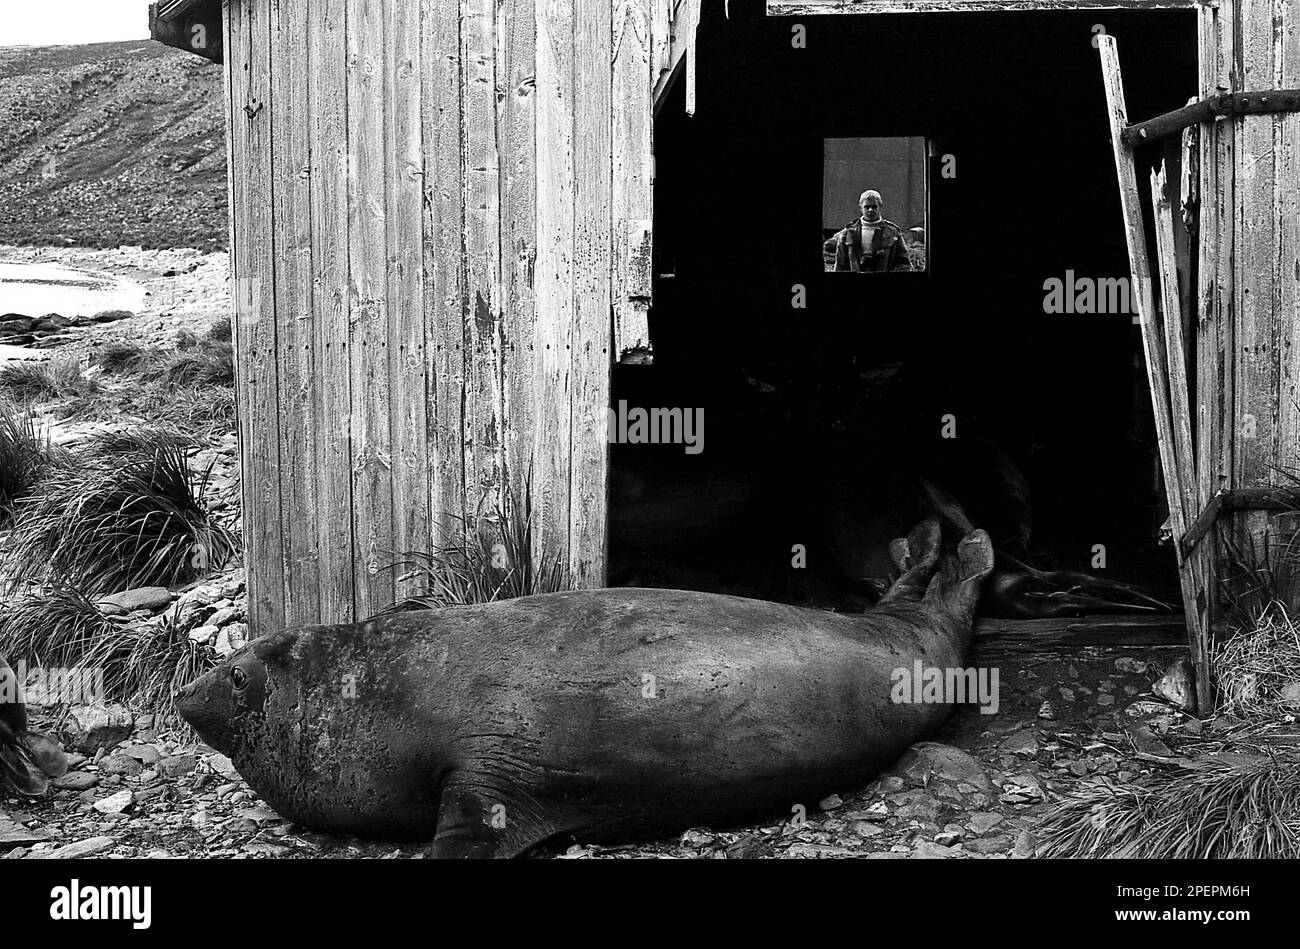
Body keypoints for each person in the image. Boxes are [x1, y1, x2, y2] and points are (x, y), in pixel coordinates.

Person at [826, 190, 912, 273]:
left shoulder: (892, 232)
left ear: (880, 207)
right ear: (860, 208)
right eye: (866, 207)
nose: (870, 210)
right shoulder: (848, 233)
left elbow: (904, 262)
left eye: (874, 206)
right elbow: (840, 265)